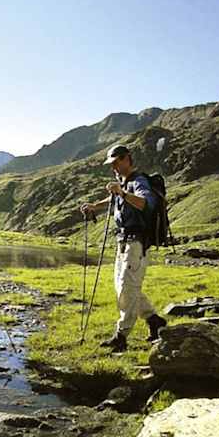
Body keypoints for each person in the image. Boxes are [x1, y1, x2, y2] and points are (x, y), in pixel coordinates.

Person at [79, 144, 167, 352]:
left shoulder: (139, 181)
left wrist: (123, 193)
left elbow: (146, 203)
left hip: (136, 242)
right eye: (111, 164)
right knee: (124, 287)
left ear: (127, 159)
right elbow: (114, 198)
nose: (113, 168)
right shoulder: (125, 183)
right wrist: (95, 206)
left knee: (127, 287)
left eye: (116, 163)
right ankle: (154, 320)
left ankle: (121, 336)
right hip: (124, 241)